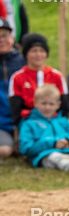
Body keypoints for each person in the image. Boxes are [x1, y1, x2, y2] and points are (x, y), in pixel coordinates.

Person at [8, 33, 69, 125]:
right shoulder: (17, 77)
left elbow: (65, 107)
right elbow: (16, 110)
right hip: (29, 122)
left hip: (54, 121)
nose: (38, 54)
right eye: (34, 51)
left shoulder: (56, 75)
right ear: (26, 54)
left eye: (42, 51)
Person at [0, 19, 24, 160]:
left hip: (22, 122)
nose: (1, 40)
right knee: (5, 151)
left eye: (4, 36)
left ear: (12, 38)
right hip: (1, 124)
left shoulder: (24, 62)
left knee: (25, 149)